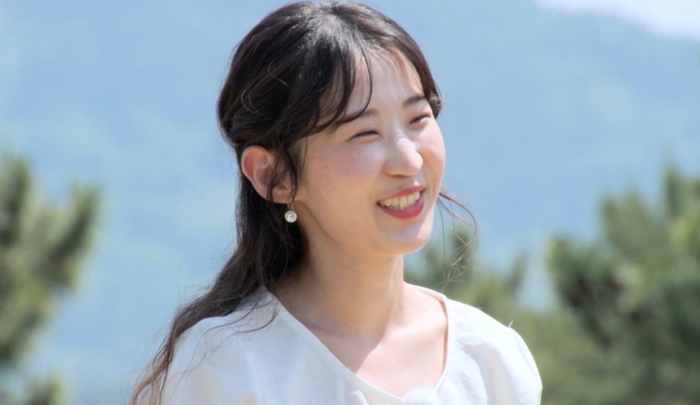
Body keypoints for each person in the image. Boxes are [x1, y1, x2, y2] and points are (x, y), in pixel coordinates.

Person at [131, 2, 542, 404]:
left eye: (418, 119)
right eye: (364, 133)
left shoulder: (492, 360)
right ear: (273, 176)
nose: (410, 161)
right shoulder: (227, 368)